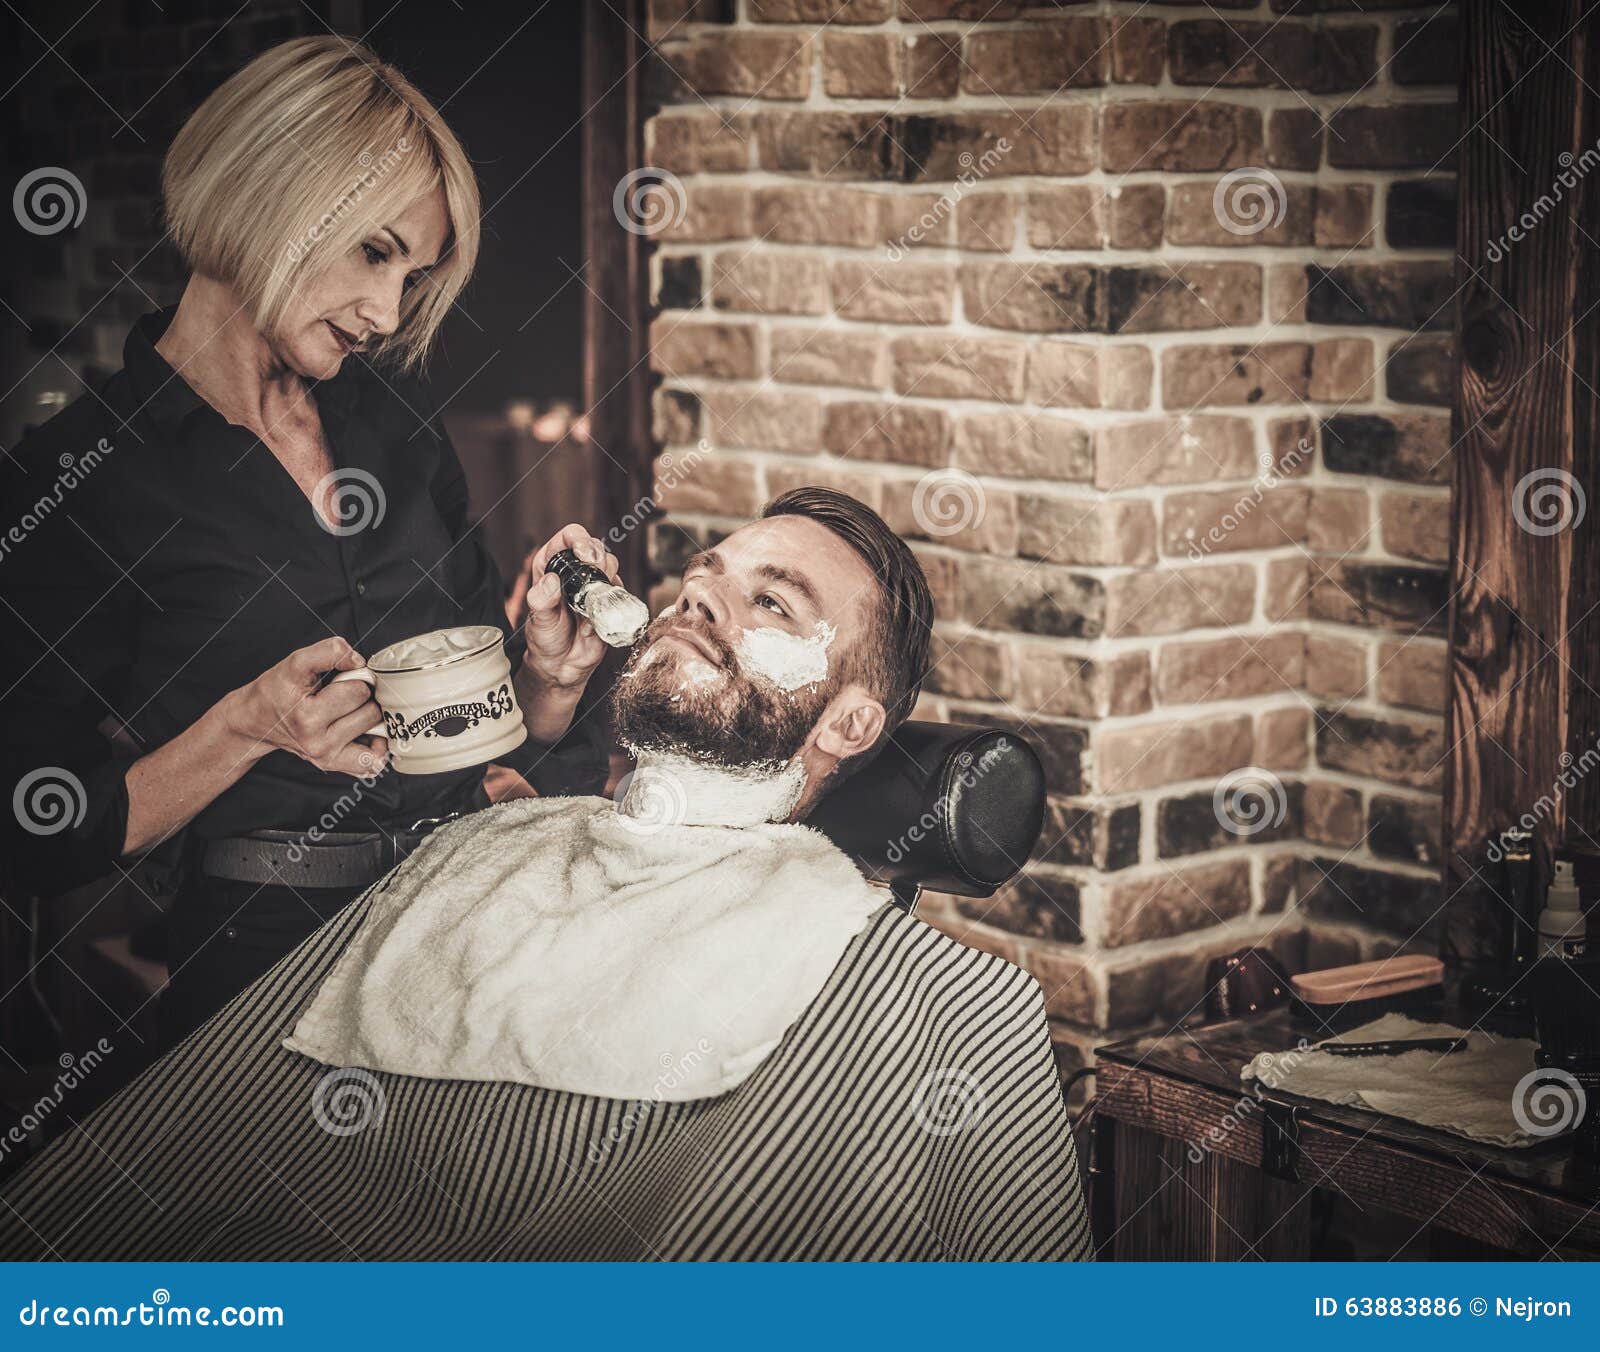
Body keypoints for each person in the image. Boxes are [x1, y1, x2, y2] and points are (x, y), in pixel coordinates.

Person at [0, 489, 1092, 1262]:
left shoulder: (942, 1000)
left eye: (773, 603)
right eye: (703, 576)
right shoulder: (492, 848)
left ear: (853, 721)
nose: (700, 595)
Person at [0, 37, 616, 1049]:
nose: (387, 313)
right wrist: (245, 725)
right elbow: (34, 832)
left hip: (467, 918)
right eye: (373, 252)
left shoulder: (395, 420)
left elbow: (481, 724)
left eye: (411, 275)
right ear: (260, 193)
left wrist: (546, 681)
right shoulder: (82, 476)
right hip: (260, 965)